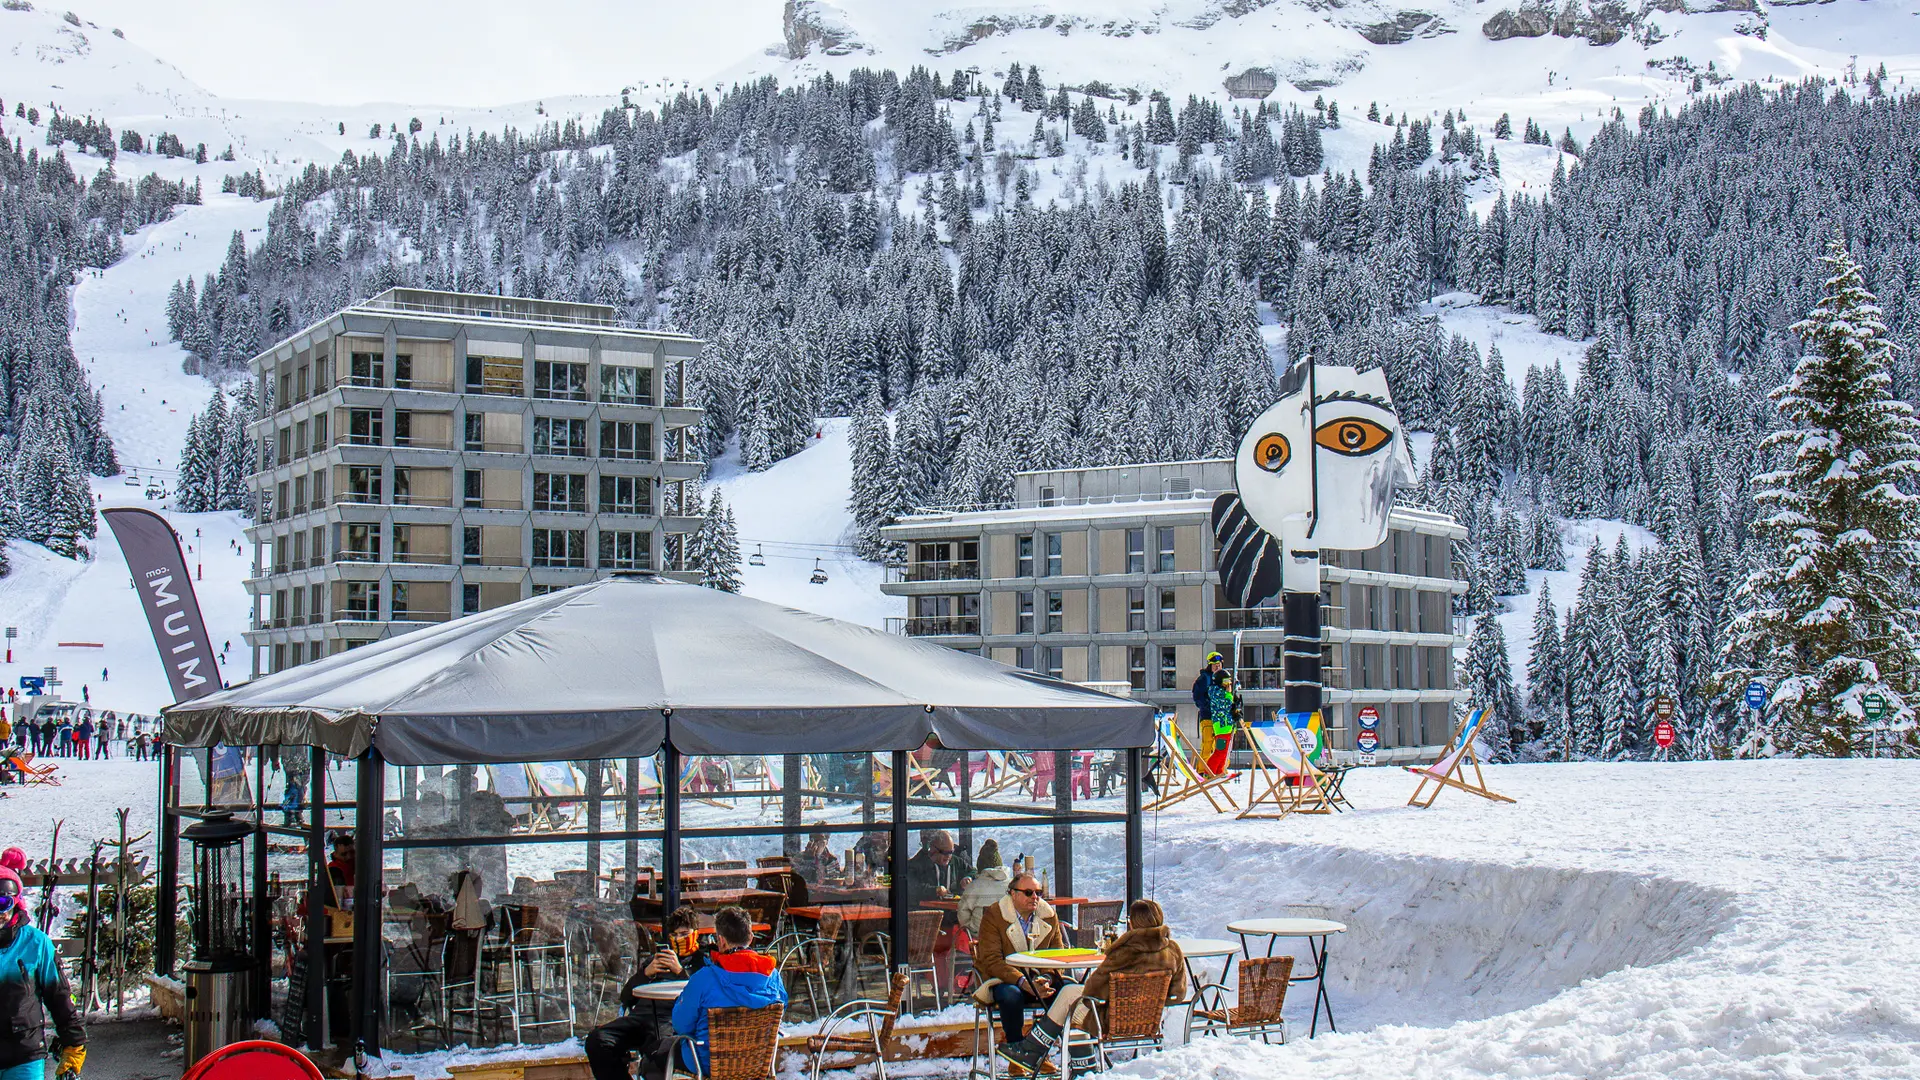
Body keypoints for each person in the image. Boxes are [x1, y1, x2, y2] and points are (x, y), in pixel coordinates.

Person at [996, 899, 1188, 1074]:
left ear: (1133, 923)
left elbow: (1094, 991)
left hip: (1110, 1020)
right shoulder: (1173, 951)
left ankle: (1036, 1051)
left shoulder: (1124, 952)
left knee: (1073, 1003)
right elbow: (1177, 994)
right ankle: (1077, 1066)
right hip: (1147, 1019)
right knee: (1070, 992)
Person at [669, 906, 786, 1076]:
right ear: (751, 938)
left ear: (721, 940)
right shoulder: (773, 976)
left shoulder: (704, 978)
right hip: (756, 1061)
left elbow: (681, 1024)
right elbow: (781, 1011)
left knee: (655, 1057)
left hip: (705, 1062)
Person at [0, 847, 85, 1080]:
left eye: (2, 903)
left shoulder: (36, 944)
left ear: (15, 903)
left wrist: (73, 1045)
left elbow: (59, 996)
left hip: (24, 1055)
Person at [972, 871, 1066, 1047]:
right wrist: (1023, 982)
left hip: (1038, 979)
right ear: (1013, 894)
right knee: (1011, 995)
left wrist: (1045, 979)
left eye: (1039, 893)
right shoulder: (995, 915)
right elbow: (992, 961)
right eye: (1029, 892)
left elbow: (1057, 955)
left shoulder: (1049, 915)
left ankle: (1039, 1046)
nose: (1035, 897)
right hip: (1004, 980)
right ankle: (1016, 1049)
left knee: (1066, 990)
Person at [585, 921, 687, 1080]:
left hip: (668, 1021)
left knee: (657, 1054)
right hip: (639, 1017)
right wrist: (646, 973)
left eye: (684, 934)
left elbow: (699, 997)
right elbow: (626, 997)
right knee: (597, 1040)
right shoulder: (654, 962)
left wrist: (680, 971)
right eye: (674, 935)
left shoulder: (701, 964)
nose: (678, 939)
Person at [1191, 652, 1239, 775]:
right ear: (1209, 666)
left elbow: (1229, 698)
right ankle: (1203, 770)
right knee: (1207, 743)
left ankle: (1221, 769)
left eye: (1219, 665)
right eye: (1214, 665)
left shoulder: (1224, 678)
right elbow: (1198, 697)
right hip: (1208, 716)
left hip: (1223, 719)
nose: (1217, 667)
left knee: (1221, 746)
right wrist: (1210, 706)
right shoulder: (1204, 679)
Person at [903, 829, 973, 909]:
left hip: (953, 912)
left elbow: (974, 872)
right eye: (945, 852)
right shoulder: (917, 864)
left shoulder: (956, 861)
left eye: (951, 852)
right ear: (933, 849)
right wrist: (935, 890)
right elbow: (910, 887)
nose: (948, 856)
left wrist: (968, 878)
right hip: (927, 913)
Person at [957, 839, 1012, 938]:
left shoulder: (974, 887)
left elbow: (962, 912)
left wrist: (971, 928)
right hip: (1008, 937)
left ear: (980, 865)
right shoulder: (1012, 885)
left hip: (981, 937)